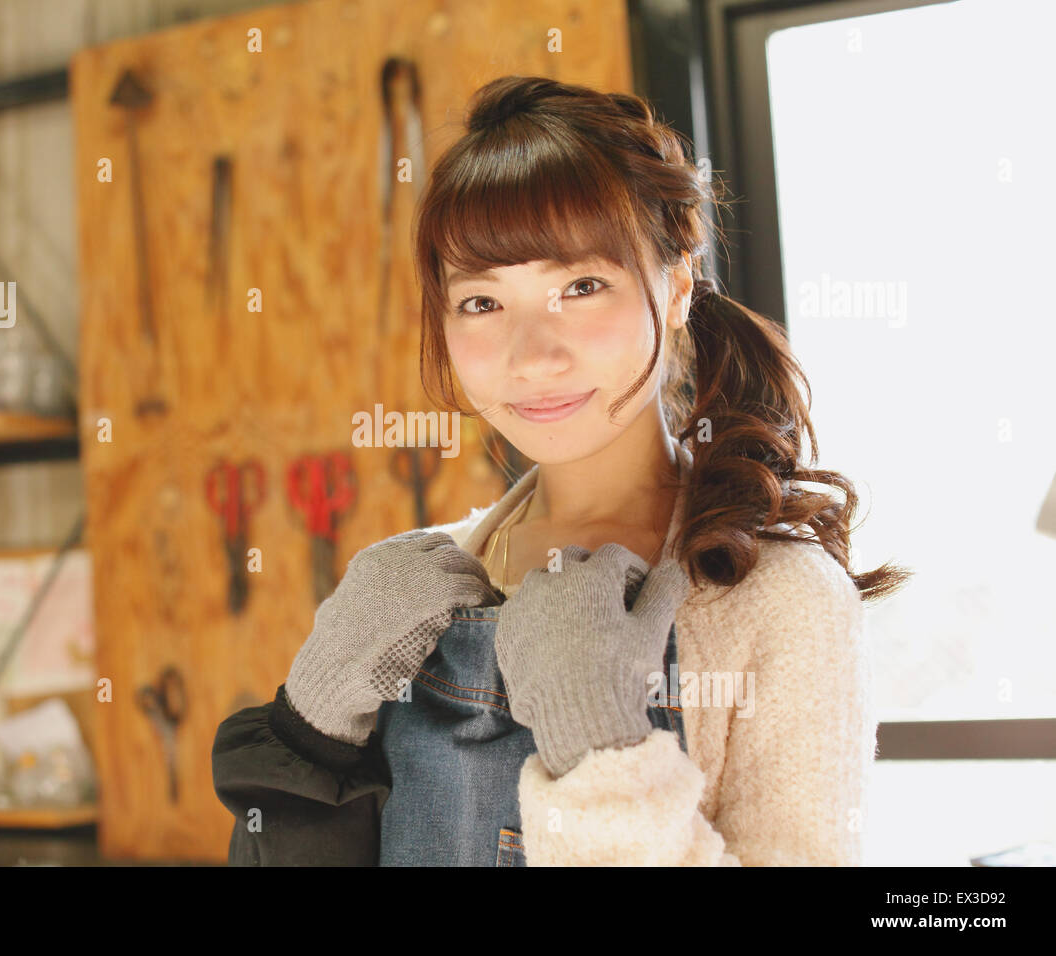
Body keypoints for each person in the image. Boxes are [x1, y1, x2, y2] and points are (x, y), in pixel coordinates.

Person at [212, 75, 912, 866]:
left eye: (581, 286)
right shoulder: (413, 589)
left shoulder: (778, 601)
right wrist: (309, 731)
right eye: (482, 302)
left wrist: (603, 751)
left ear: (677, 285)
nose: (533, 356)